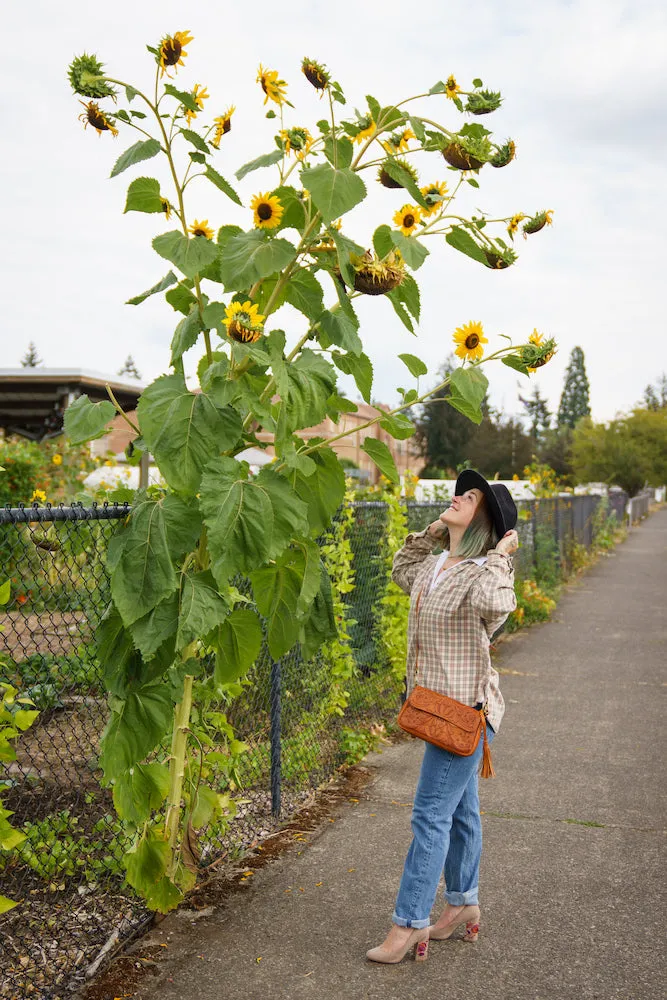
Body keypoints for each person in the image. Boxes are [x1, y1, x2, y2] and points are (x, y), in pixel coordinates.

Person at [366, 469, 519, 964]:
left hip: (463, 715)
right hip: (437, 707)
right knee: (460, 811)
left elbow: (496, 604)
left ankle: (408, 924)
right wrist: (433, 531)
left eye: (469, 496)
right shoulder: (437, 563)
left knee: (429, 815)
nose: (455, 497)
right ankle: (463, 904)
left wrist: (499, 554)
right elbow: (399, 569)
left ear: (486, 522)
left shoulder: (483, 573)